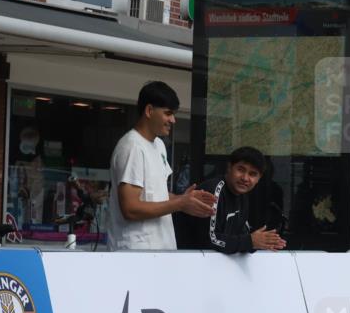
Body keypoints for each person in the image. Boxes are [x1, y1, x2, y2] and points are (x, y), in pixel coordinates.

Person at [108, 81, 216, 251]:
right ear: (149, 111)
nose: (173, 120)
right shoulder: (132, 147)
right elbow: (130, 209)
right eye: (168, 113)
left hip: (161, 249)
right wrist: (180, 203)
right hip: (135, 252)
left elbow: (157, 195)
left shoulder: (159, 145)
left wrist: (186, 200)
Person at [184, 146, 286, 253]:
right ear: (229, 167)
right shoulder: (214, 191)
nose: (245, 178)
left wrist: (262, 242)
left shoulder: (242, 195)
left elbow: (241, 235)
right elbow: (209, 240)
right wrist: (250, 242)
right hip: (182, 262)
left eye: (252, 174)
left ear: (259, 179)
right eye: (241, 170)